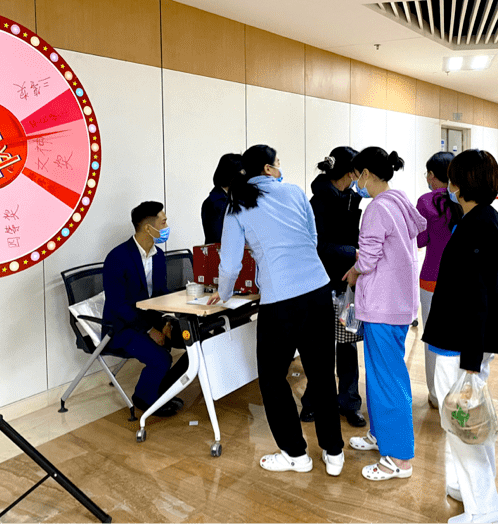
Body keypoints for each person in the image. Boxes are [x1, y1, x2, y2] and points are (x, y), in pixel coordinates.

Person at [207, 145, 345, 476]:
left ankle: (296, 454)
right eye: (278, 163)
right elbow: (312, 239)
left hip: (280, 300)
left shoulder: (237, 206)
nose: (281, 168)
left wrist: (222, 295)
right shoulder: (296, 192)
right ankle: (334, 452)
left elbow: (229, 264)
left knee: (272, 378)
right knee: (322, 373)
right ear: (268, 169)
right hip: (317, 289)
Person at [423, 149, 498, 524]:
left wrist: (470, 364)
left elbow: (477, 296)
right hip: (466, 343)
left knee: (464, 426)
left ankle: (486, 511)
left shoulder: (477, 226)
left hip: (460, 347)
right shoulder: (483, 218)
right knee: (467, 422)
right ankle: (463, 488)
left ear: (460, 184)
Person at [344, 147, 426, 481]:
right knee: (380, 377)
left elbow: (368, 259)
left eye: (355, 176)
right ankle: (380, 436)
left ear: (365, 173)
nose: (355, 183)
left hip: (382, 306)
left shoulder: (376, 209)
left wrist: (353, 270)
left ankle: (399, 459)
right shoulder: (400, 200)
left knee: (388, 380)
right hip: (399, 303)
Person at [300, 147, 367, 428]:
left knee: (348, 344)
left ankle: (349, 402)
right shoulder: (318, 202)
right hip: (322, 282)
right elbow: (318, 246)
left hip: (350, 282)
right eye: (357, 172)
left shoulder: (352, 198)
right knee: (321, 347)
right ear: (348, 173)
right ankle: (313, 401)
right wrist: (352, 251)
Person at [102, 201, 188, 416]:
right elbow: (118, 305)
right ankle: (144, 398)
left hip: (150, 319)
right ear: (149, 228)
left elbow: (160, 294)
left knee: (195, 341)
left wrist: (167, 321)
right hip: (122, 327)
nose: (167, 225)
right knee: (161, 358)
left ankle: (162, 389)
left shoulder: (157, 256)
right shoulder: (117, 258)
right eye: (164, 221)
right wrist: (151, 330)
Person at [416, 152, 462, 410]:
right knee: (457, 337)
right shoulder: (466, 197)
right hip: (461, 280)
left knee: (433, 338)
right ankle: (456, 389)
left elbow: (420, 240)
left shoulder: (426, 201)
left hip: (433, 278)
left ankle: (436, 394)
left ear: (433, 175)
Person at [201, 153, 243, 244]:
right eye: (242, 173)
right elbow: (217, 239)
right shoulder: (213, 203)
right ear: (232, 175)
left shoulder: (234, 198)